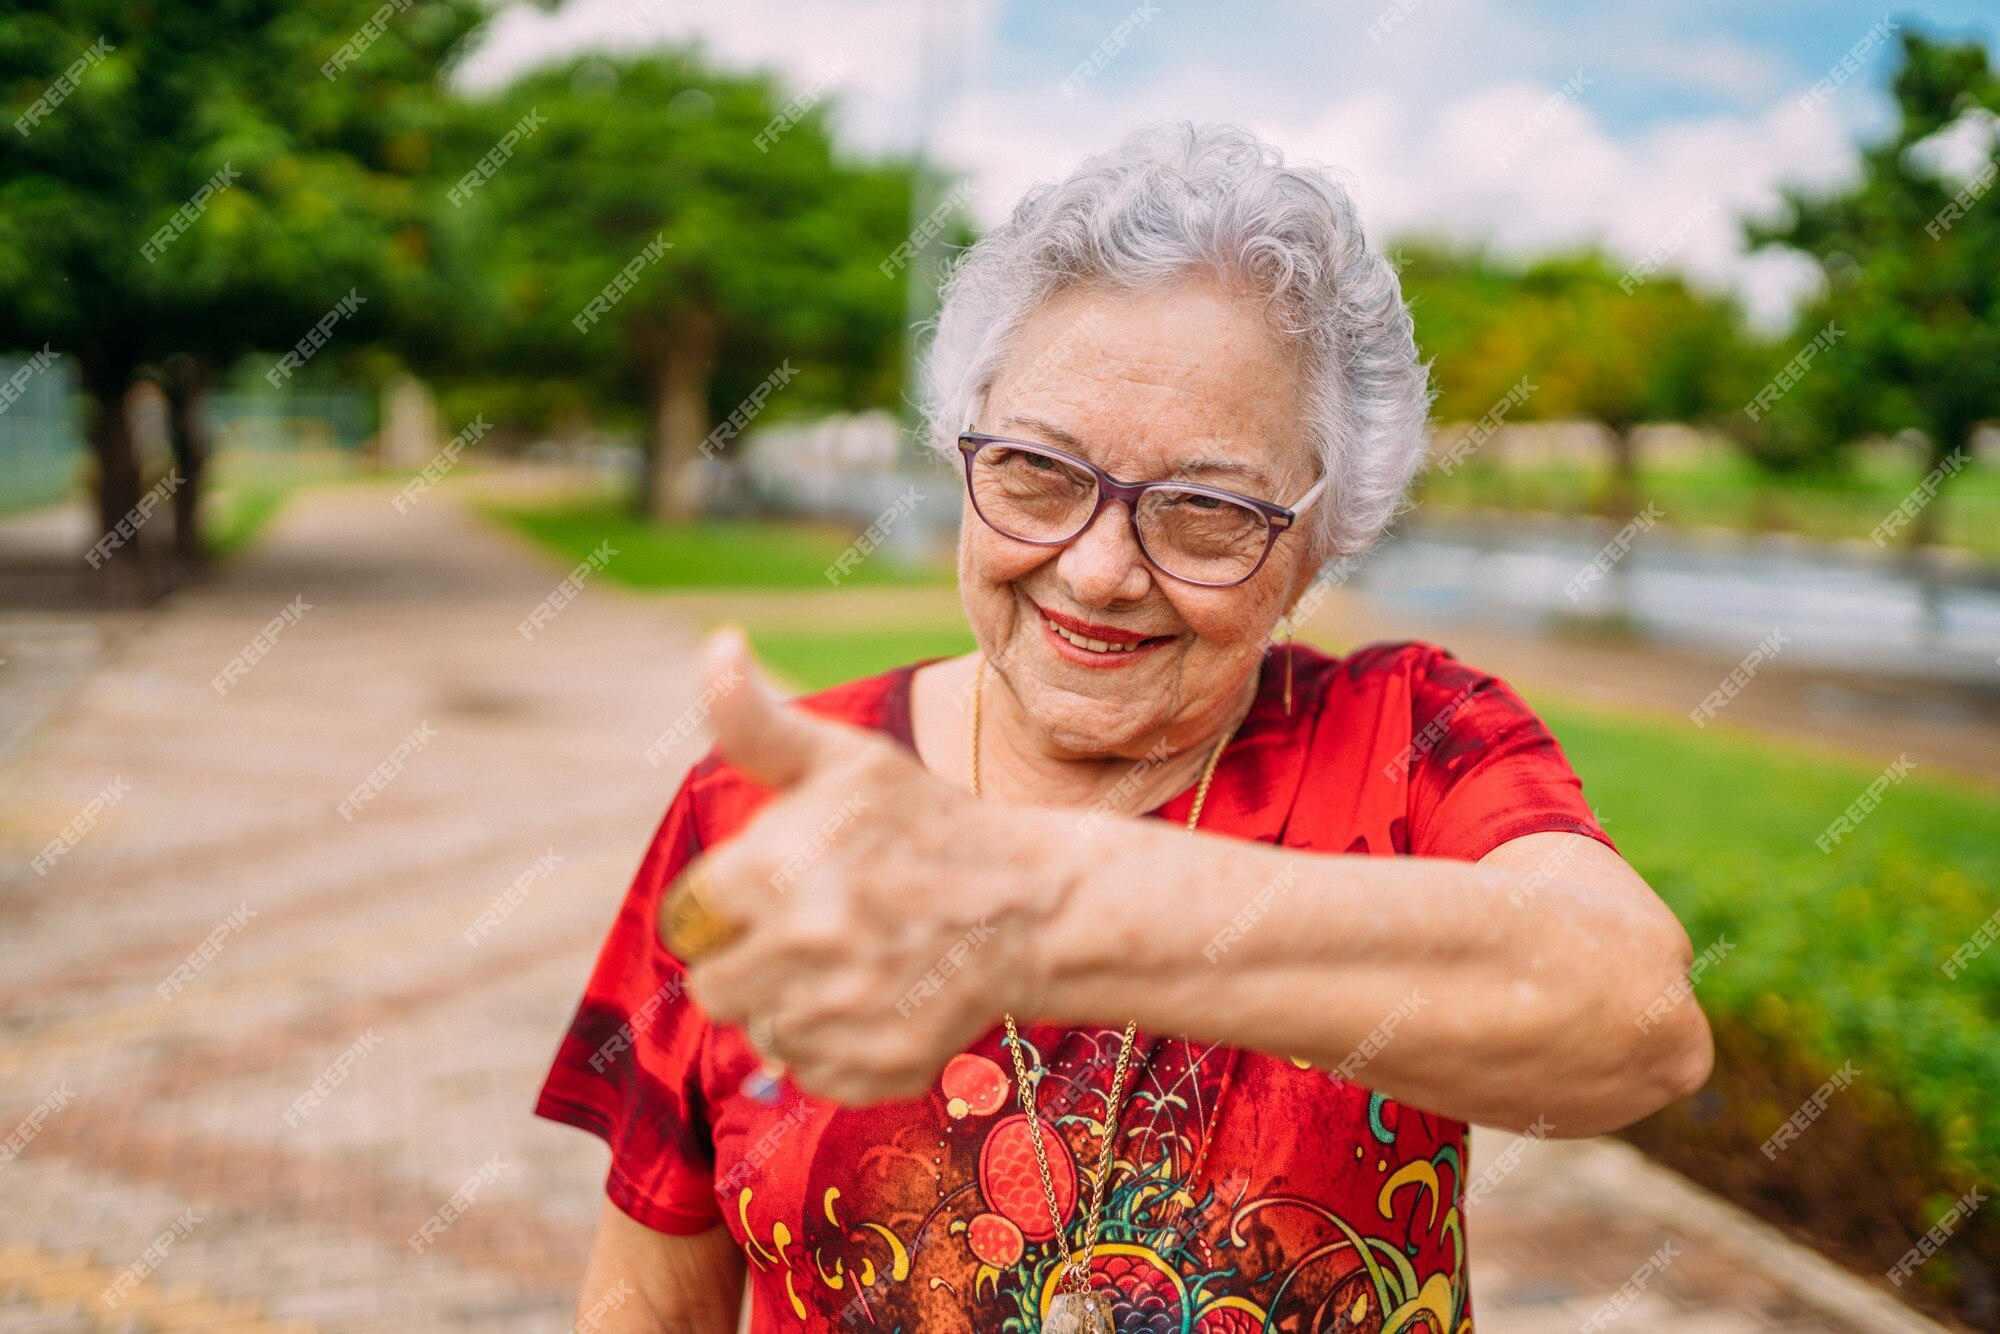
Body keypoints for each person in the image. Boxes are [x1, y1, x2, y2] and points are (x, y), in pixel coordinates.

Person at [535, 121, 1713, 1334]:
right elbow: (644, 1292)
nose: (1097, 571)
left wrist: (1042, 909)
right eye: (1037, 471)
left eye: (1204, 509)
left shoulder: (1407, 738)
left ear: (1324, 534)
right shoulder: (763, 811)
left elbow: (1634, 1022)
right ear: (960, 449)